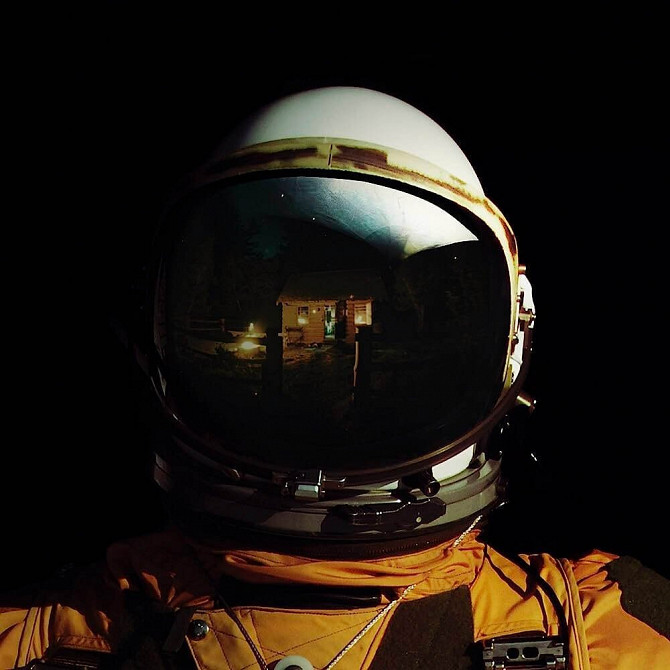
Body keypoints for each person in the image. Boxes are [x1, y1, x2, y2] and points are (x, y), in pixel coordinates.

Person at [2, 86, 668, 670]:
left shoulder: (606, 631)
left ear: (505, 341)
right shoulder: (599, 635)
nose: (334, 352)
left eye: (379, 328)